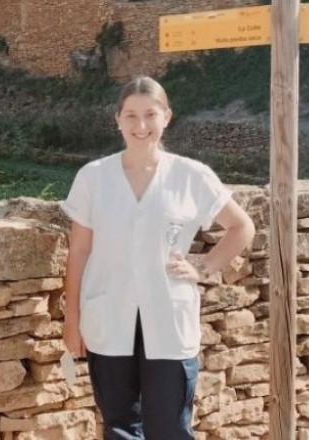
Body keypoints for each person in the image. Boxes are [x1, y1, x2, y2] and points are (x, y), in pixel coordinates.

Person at [61, 76, 255, 439]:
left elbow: (242, 227)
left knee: (170, 428)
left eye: (150, 114)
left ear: (167, 117)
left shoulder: (190, 175)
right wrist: (72, 320)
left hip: (169, 316)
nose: (141, 126)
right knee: (120, 428)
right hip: (108, 317)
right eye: (131, 115)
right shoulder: (93, 177)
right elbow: (80, 251)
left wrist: (204, 267)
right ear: (116, 119)